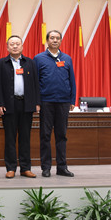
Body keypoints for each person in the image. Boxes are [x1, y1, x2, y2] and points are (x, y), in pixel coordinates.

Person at [0, 35, 40, 179]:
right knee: (10, 138)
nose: (15, 46)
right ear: (7, 47)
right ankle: (11, 168)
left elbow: (36, 83)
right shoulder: (1, 63)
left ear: (22, 46)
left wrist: (37, 102)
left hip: (26, 104)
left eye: (17, 44)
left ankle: (25, 168)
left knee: (25, 137)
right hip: (9, 105)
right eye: (12, 44)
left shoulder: (30, 63)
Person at [34, 30, 76, 177]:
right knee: (45, 135)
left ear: (61, 41)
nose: (55, 40)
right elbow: (35, 82)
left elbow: (72, 80)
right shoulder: (38, 58)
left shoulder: (67, 58)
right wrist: (37, 102)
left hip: (63, 102)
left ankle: (62, 167)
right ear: (47, 40)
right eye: (52, 38)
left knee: (61, 135)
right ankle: (46, 168)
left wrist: (72, 100)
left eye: (57, 38)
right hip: (46, 102)